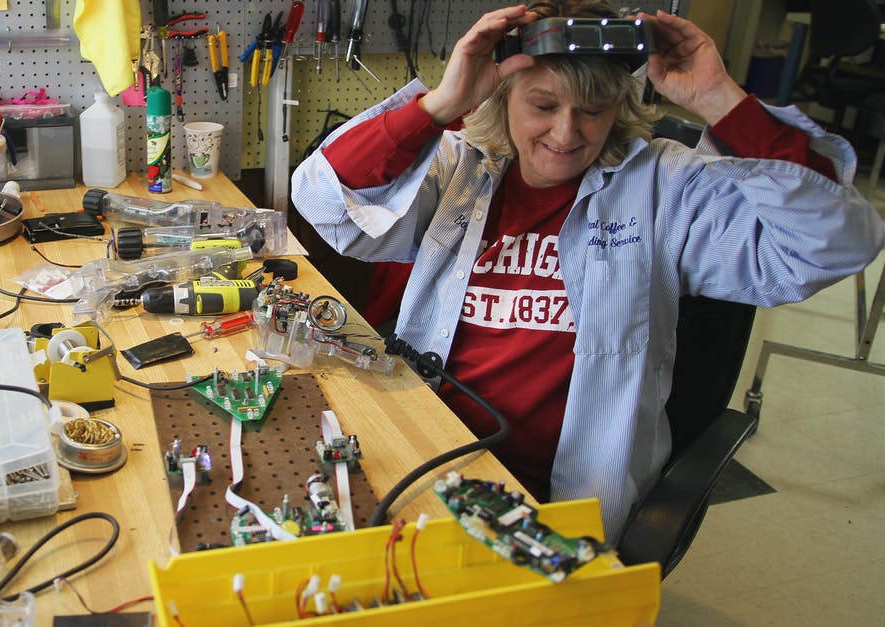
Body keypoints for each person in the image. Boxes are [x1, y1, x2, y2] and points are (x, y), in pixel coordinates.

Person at [291, 1, 885, 538]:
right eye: (543, 106)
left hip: (561, 490)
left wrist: (720, 101)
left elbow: (834, 243)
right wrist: (442, 104)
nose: (566, 134)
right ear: (503, 98)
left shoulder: (664, 187)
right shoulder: (462, 169)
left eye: (593, 111)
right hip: (426, 448)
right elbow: (321, 199)